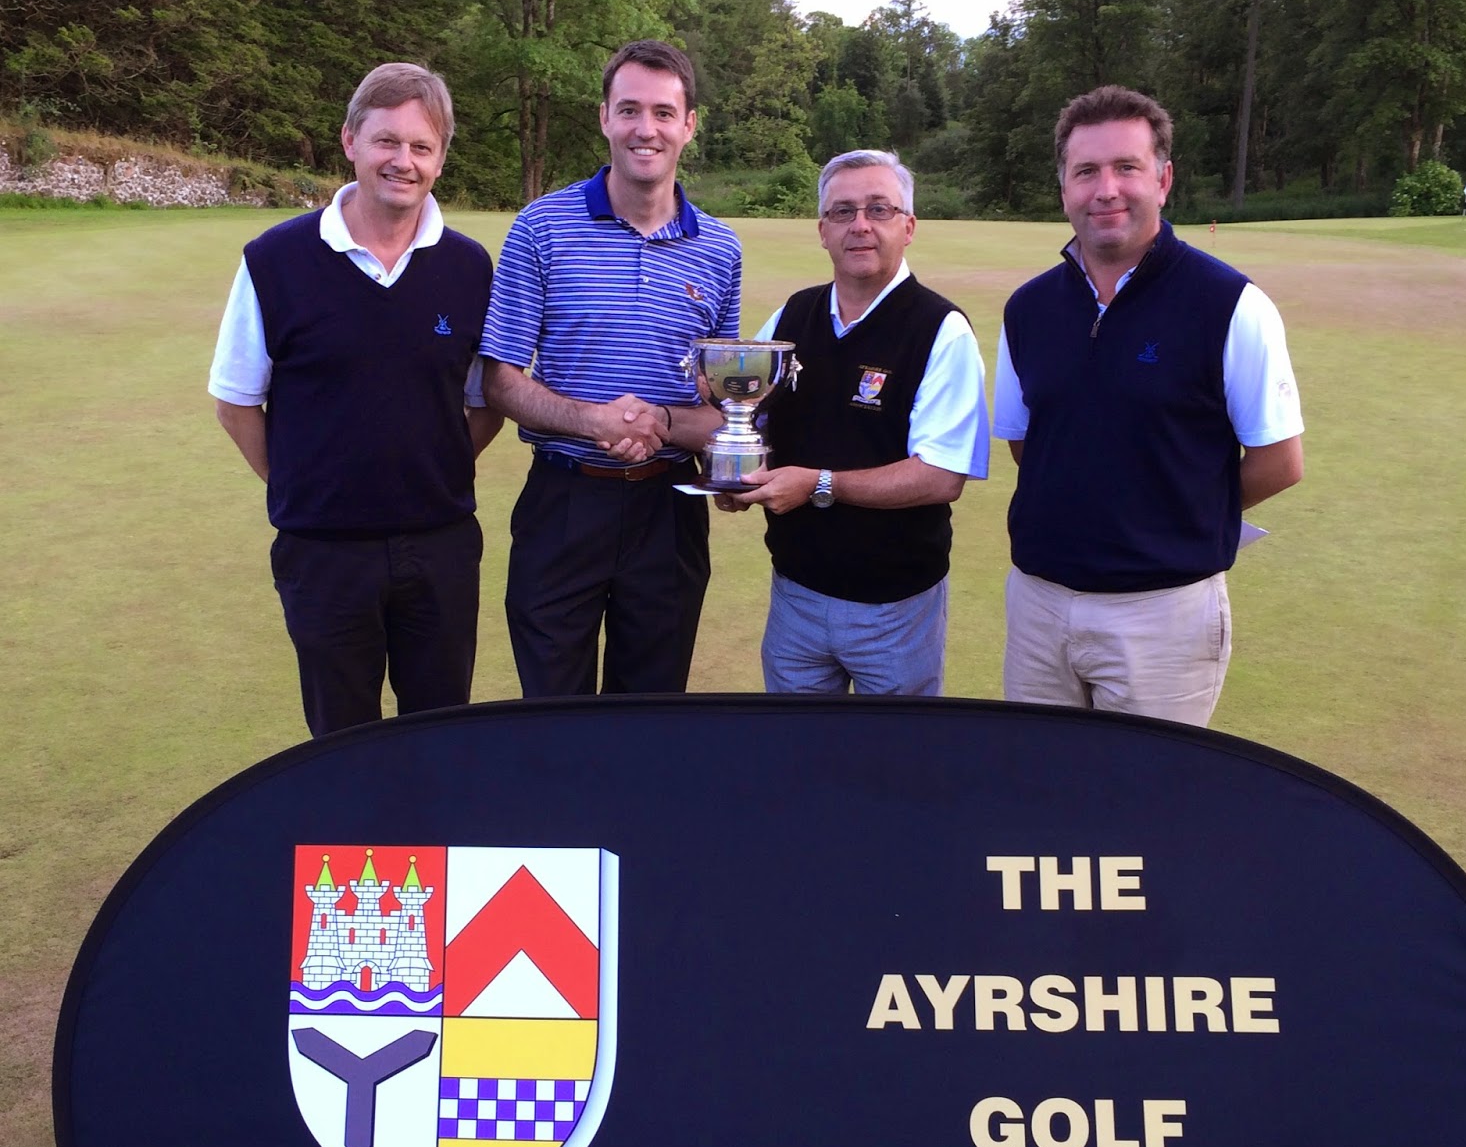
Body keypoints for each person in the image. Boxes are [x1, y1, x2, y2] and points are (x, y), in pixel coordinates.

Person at [995, 84, 1304, 727]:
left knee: (1143, 815)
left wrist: (1171, 512)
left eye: (1126, 167)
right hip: (1039, 604)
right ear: (1064, 190)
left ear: (1163, 180)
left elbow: (1279, 460)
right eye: (1086, 172)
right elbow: (1029, 443)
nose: (1105, 189)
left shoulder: (1230, 304)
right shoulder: (1028, 308)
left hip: (1163, 615)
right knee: (1036, 794)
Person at [208, 62, 501, 738]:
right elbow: (235, 402)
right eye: (386, 141)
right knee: (341, 747)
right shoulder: (274, 259)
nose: (403, 161)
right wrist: (299, 484)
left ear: (441, 159)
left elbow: (488, 398)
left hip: (442, 545)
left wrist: (440, 460)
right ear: (350, 141)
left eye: (421, 147)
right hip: (324, 553)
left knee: (440, 736)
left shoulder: (469, 267)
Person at [481, 40, 742, 696]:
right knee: (552, 717)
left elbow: (723, 408)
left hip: (669, 508)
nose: (644, 129)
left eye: (662, 111)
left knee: (649, 721)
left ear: (689, 125)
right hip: (564, 500)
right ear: (604, 118)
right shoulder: (541, 227)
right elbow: (500, 379)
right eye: (629, 110)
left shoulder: (720, 249)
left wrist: (662, 420)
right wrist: (591, 420)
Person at [721, 150, 989, 696]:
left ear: (908, 226)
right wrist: (736, 475)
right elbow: (748, 416)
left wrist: (819, 484)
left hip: (894, 611)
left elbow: (942, 476)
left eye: (879, 209)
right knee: (797, 767)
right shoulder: (791, 317)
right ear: (822, 230)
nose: (860, 225)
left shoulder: (941, 329)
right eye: (842, 212)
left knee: (889, 772)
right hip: (795, 596)